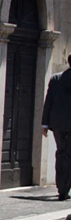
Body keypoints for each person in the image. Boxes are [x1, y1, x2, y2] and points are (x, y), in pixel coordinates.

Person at [43, 54, 71, 201]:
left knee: (61, 153)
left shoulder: (56, 78)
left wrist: (44, 124)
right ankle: (65, 189)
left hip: (58, 124)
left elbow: (48, 101)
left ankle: (61, 187)